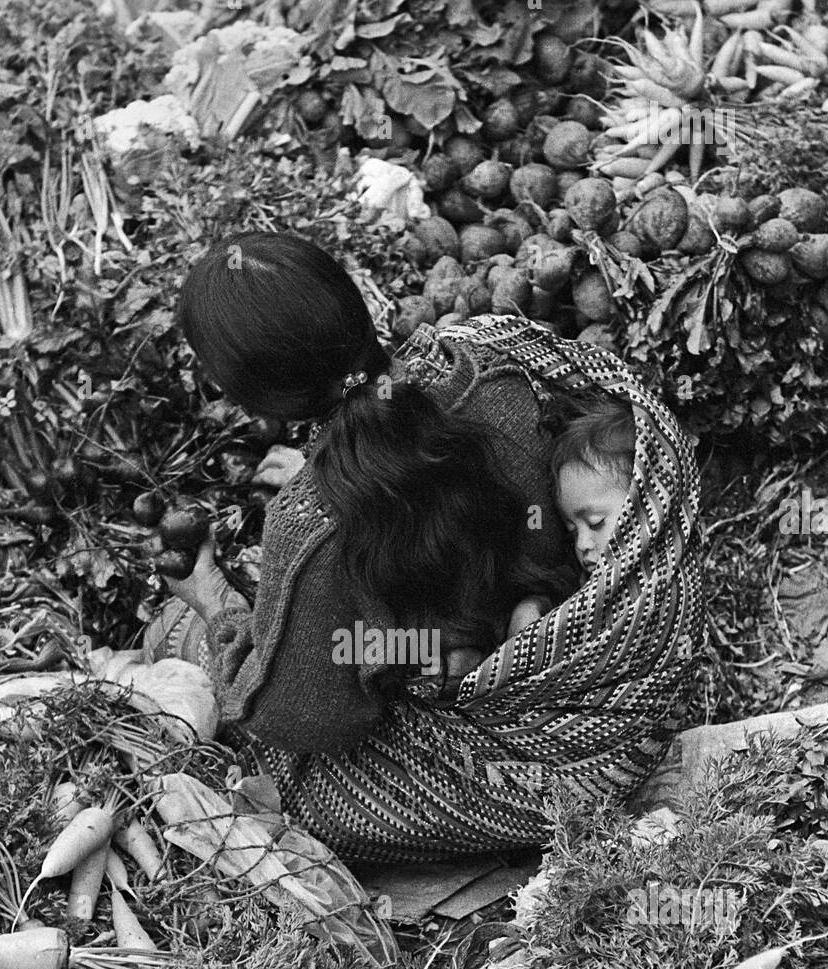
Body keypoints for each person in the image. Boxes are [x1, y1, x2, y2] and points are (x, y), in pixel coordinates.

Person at [152, 231, 703, 862]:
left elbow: (305, 719)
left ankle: (189, 620)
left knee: (191, 646)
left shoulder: (310, 529)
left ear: (253, 398)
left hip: (523, 764)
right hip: (615, 685)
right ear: (354, 305)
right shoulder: (494, 367)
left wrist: (216, 605)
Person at [507, 400, 635, 639]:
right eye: (572, 531)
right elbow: (556, 588)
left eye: (596, 523)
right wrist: (531, 608)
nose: (582, 544)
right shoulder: (581, 579)